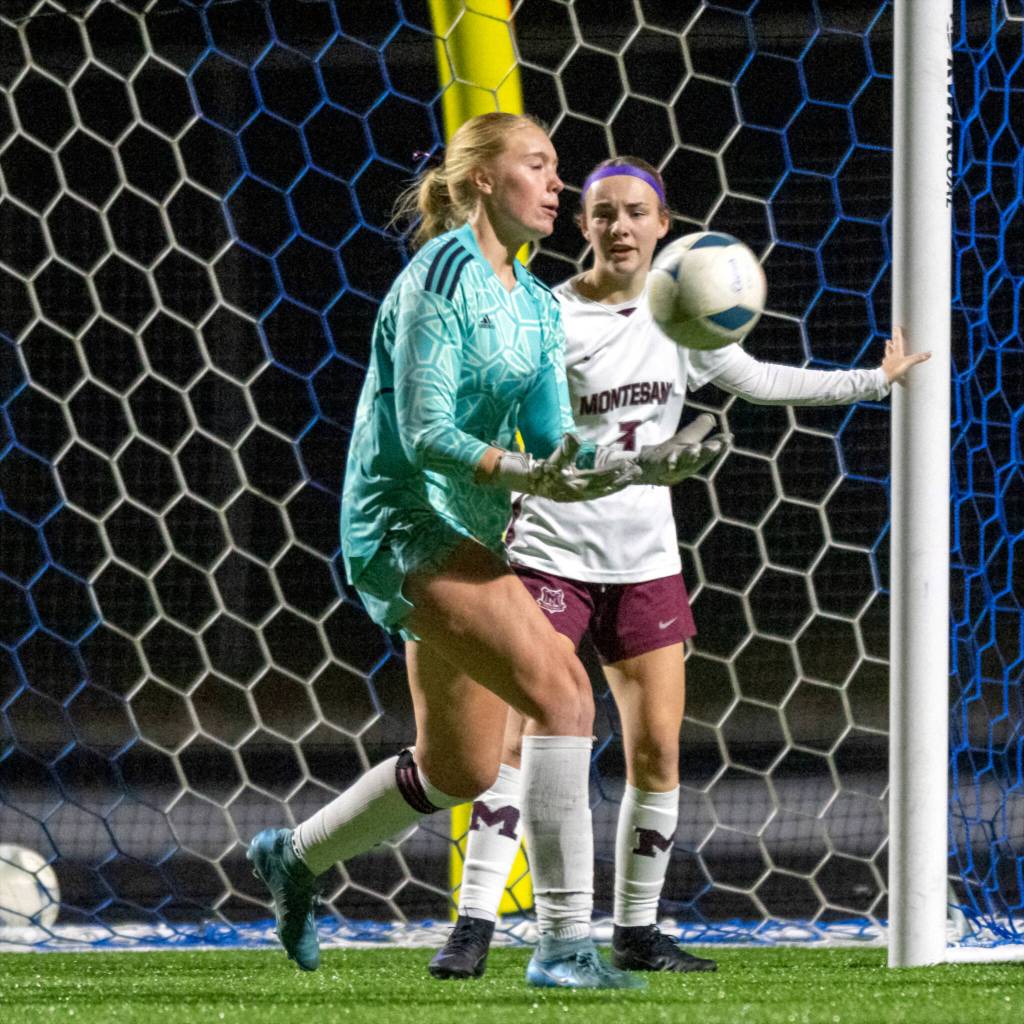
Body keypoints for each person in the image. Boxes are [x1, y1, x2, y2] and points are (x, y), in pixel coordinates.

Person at [246, 117, 726, 989]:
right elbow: (425, 432)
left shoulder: (538, 303)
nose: (555, 185)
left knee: (459, 768)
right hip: (401, 522)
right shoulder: (438, 281)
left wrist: (646, 462)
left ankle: (296, 859)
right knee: (564, 691)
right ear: (479, 182)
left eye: (554, 170)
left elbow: (554, 442)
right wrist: (526, 472)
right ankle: (564, 945)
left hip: (469, 531)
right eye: (537, 166)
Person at [428, 156, 931, 980]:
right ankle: (476, 923)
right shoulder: (545, 318)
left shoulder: (683, 317)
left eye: (635, 213)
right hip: (550, 553)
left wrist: (873, 382)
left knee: (656, 750)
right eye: (601, 213)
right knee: (519, 744)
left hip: (645, 565)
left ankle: (638, 930)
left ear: (666, 228)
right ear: (582, 225)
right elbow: (513, 425)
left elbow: (760, 380)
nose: (618, 226)